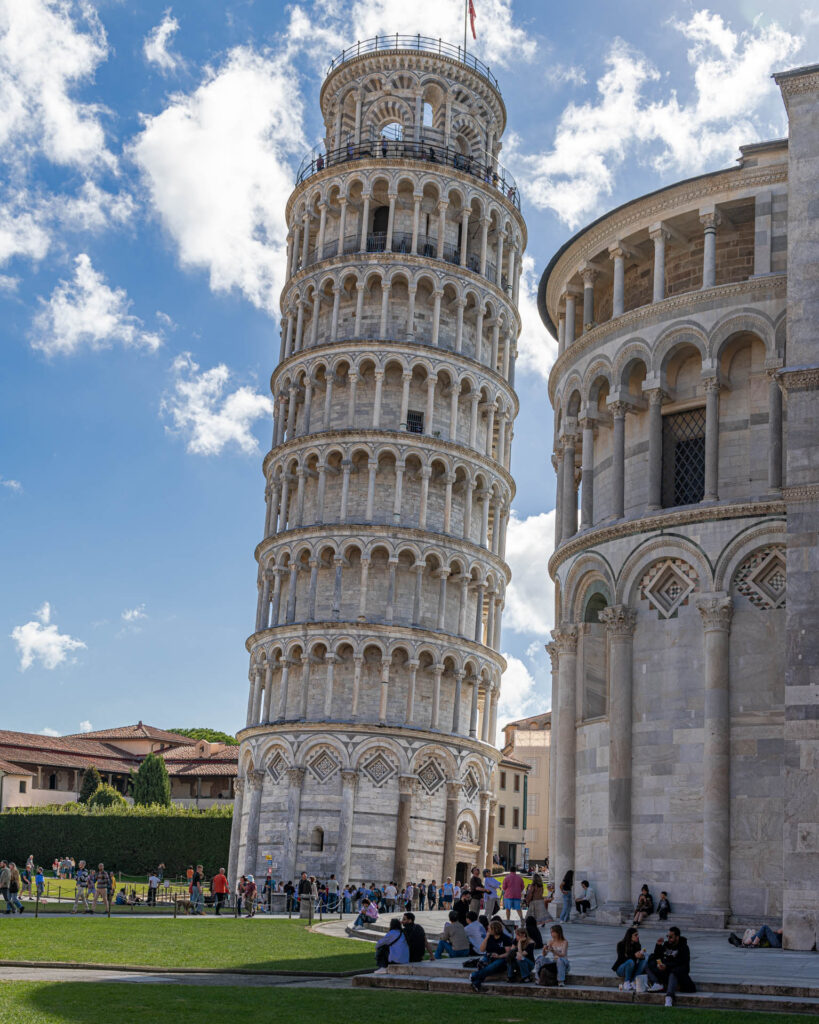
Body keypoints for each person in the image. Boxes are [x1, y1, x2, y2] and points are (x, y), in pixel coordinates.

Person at [646, 926, 696, 1007]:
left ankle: (669, 997)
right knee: (647, 964)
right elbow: (657, 956)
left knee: (674, 972)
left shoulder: (684, 947)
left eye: (671, 937)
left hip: (677, 972)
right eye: (667, 936)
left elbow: (680, 962)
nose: (668, 938)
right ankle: (657, 983)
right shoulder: (666, 944)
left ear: (677, 937)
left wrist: (667, 966)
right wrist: (658, 946)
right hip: (665, 970)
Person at [470, 920, 514, 991]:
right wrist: (486, 938)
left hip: (501, 958)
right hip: (489, 956)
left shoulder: (505, 938)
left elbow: (508, 953)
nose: (488, 930)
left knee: (491, 967)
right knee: (481, 963)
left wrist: (499, 956)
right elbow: (482, 950)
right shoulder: (489, 937)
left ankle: (474, 975)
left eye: (489, 929)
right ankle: (476, 982)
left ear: (495, 930)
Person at [612, 925, 650, 991]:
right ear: (630, 936)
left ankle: (633, 981)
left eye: (638, 935)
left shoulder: (637, 945)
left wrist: (641, 956)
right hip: (621, 969)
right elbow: (621, 958)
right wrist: (634, 956)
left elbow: (638, 960)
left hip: (632, 968)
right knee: (630, 962)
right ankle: (626, 982)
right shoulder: (621, 944)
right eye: (635, 935)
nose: (638, 936)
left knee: (646, 957)